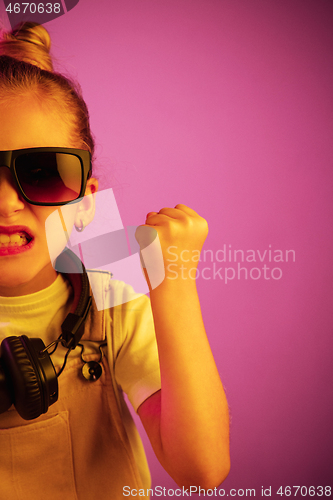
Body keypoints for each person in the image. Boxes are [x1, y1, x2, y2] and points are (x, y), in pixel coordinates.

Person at [0, 22, 230, 499]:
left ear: (86, 203)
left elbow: (201, 469)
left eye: (43, 172)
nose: (5, 204)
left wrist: (175, 282)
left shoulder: (110, 292)